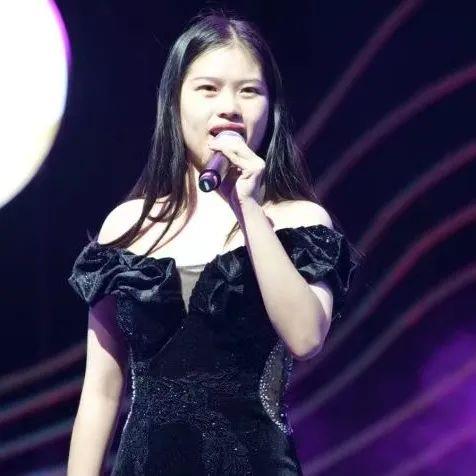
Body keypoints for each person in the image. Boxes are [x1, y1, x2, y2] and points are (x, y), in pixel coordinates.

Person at [67, 10, 358, 476]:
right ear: (175, 102)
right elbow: (101, 392)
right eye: (208, 88)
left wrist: (249, 207)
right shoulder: (127, 227)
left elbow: (305, 337)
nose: (230, 107)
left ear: (271, 108)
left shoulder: (299, 221)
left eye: (249, 91)